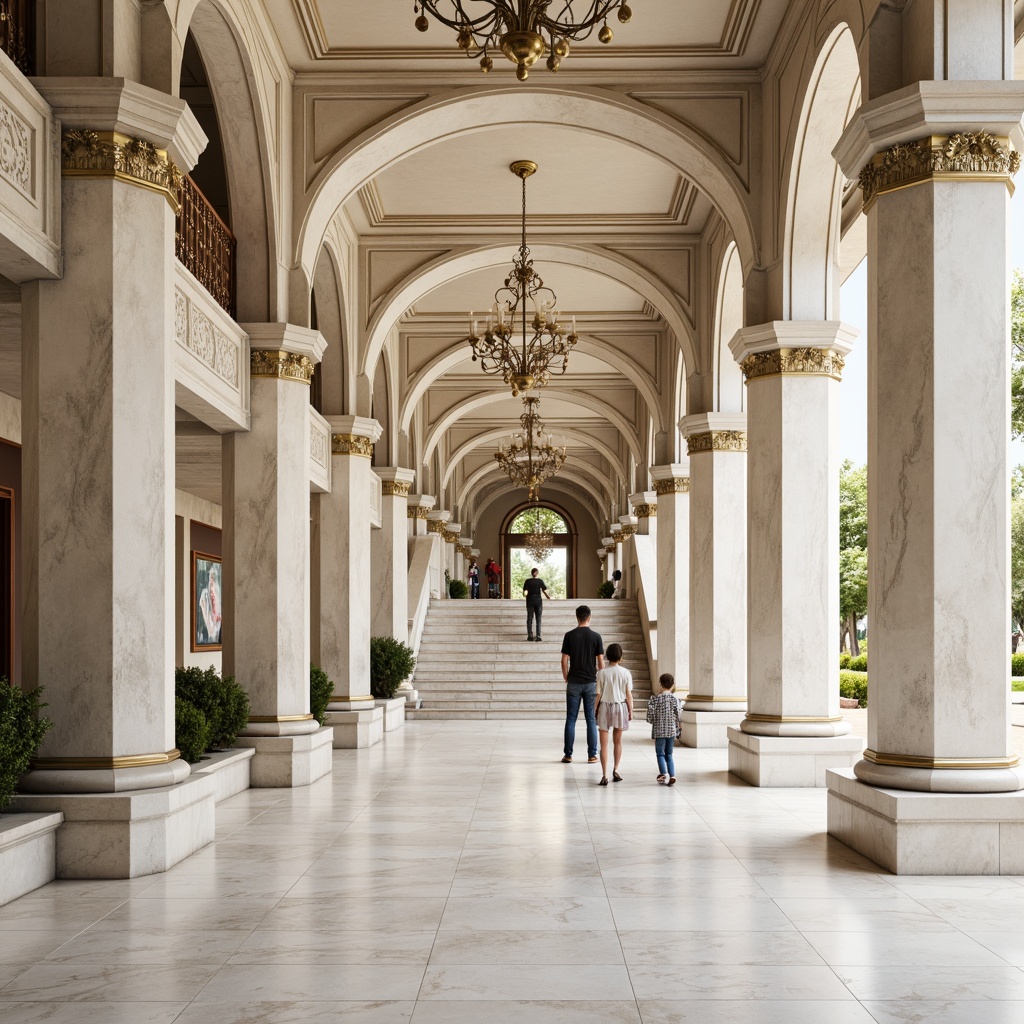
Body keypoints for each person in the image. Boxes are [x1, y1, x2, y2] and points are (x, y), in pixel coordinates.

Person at [559, 604, 604, 764]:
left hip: (574, 682)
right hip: (591, 682)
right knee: (591, 719)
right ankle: (592, 755)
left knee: (571, 718)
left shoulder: (569, 635)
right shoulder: (596, 636)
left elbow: (564, 660)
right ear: (589, 617)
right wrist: (601, 678)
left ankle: (568, 755)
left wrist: (566, 676)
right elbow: (600, 661)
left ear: (577, 617)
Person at [594, 642, 633, 785]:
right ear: (621, 657)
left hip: (604, 706)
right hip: (620, 706)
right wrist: (630, 710)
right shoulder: (626, 673)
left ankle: (604, 775)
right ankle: (615, 770)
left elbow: (598, 694)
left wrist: (595, 709)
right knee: (618, 741)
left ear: (607, 656)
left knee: (603, 744)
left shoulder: (601, 673)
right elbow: (628, 695)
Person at [646, 673, 681, 785]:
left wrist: (653, 721)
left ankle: (663, 773)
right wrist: (678, 727)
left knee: (660, 753)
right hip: (671, 731)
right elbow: (678, 715)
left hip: (659, 732)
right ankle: (672, 775)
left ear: (660, 684)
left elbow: (650, 716)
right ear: (672, 685)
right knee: (669, 754)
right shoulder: (675, 699)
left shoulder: (655, 699)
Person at [522, 566, 550, 641]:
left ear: (531, 573)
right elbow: (544, 590)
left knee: (529, 618)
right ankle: (538, 635)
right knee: (538, 619)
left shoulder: (527, 581)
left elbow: (525, 591)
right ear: (536, 573)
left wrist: (525, 595)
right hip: (538, 601)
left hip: (530, 600)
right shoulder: (540, 581)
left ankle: (530, 635)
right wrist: (548, 596)